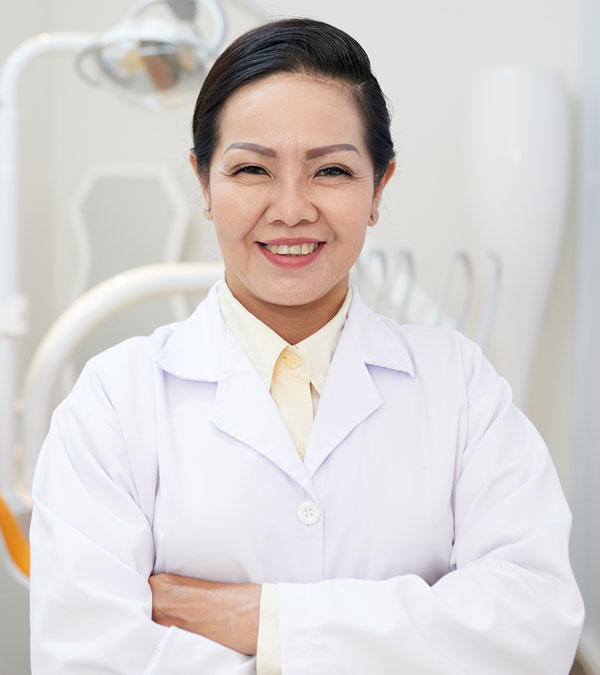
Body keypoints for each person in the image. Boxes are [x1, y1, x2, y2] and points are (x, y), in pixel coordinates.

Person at [30, 17, 584, 675]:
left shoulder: (460, 385)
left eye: (331, 170)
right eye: (251, 169)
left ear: (379, 187)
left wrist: (261, 619)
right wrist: (412, 635)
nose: (291, 209)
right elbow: (86, 658)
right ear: (203, 183)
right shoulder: (114, 402)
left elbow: (534, 625)